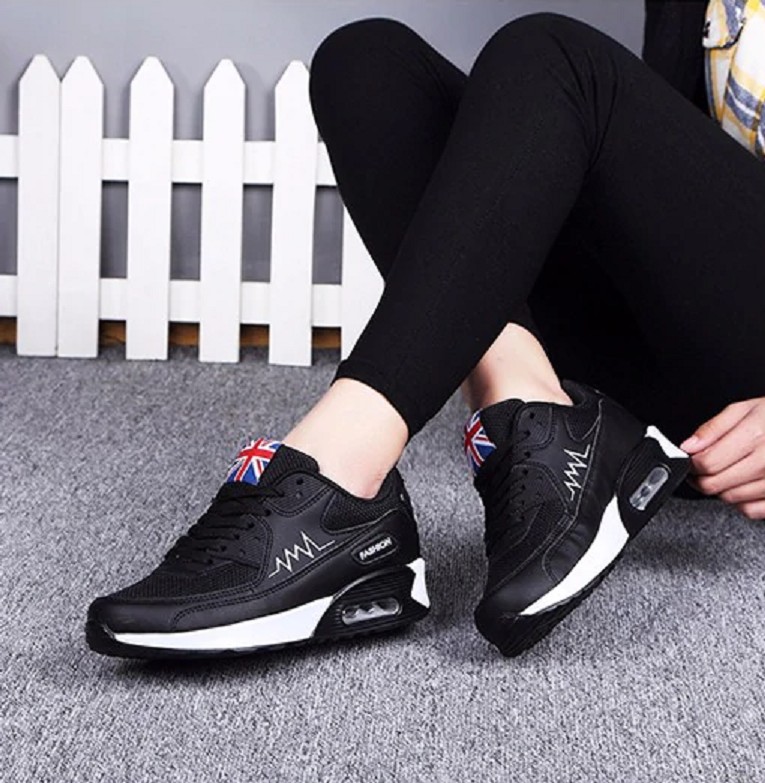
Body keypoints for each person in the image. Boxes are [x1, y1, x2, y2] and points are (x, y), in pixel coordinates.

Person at [86, 1, 765, 660]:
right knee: (366, 64)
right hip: (680, 370)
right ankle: (538, 418)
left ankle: (338, 479)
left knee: (555, 55)